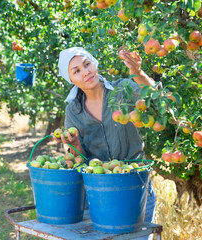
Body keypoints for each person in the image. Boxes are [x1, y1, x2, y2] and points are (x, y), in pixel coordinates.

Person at [53, 47, 156, 239]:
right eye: (76, 71)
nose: (85, 72)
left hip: (137, 186)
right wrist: (74, 144)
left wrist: (139, 73)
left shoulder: (123, 89)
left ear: (95, 63)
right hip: (99, 194)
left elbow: (156, 98)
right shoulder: (73, 111)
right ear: (71, 80)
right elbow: (79, 160)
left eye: (87, 64)